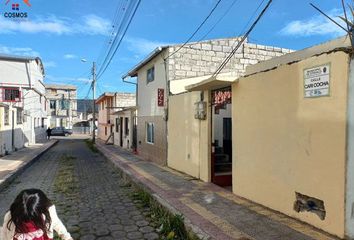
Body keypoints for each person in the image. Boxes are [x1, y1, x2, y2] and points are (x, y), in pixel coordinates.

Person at [1, 189, 73, 240]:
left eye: (32, 217)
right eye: (24, 216)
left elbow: (56, 223)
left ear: (43, 209)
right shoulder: (11, 215)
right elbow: (5, 232)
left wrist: (66, 236)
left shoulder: (49, 211)